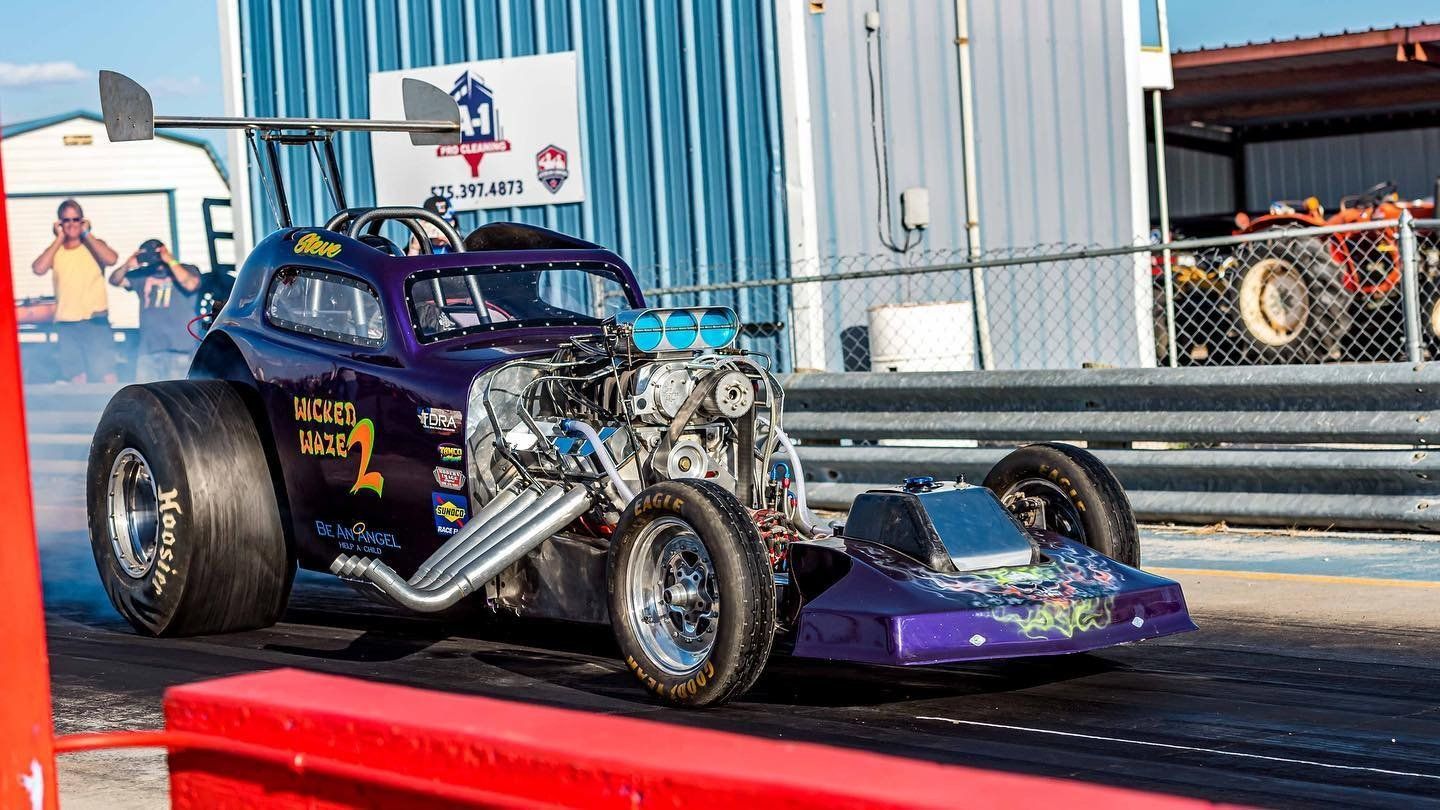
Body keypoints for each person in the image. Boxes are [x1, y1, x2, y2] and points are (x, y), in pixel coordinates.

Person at [31, 199, 119, 383]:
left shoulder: (94, 246)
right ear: (60, 224)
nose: (71, 224)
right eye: (66, 220)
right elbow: (38, 268)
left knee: (105, 373)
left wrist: (87, 233)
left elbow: (111, 259)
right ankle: (82, 411)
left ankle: (116, 411)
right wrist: (59, 239)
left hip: (95, 321)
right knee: (75, 375)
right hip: (67, 324)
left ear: (83, 221)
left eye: (75, 219)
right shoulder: (57, 251)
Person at [109, 239, 201, 382]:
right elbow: (115, 280)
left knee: (178, 397)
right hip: (148, 350)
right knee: (146, 400)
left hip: (179, 350)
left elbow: (190, 284)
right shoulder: (142, 275)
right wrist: (128, 264)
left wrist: (169, 260)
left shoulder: (187, 270)